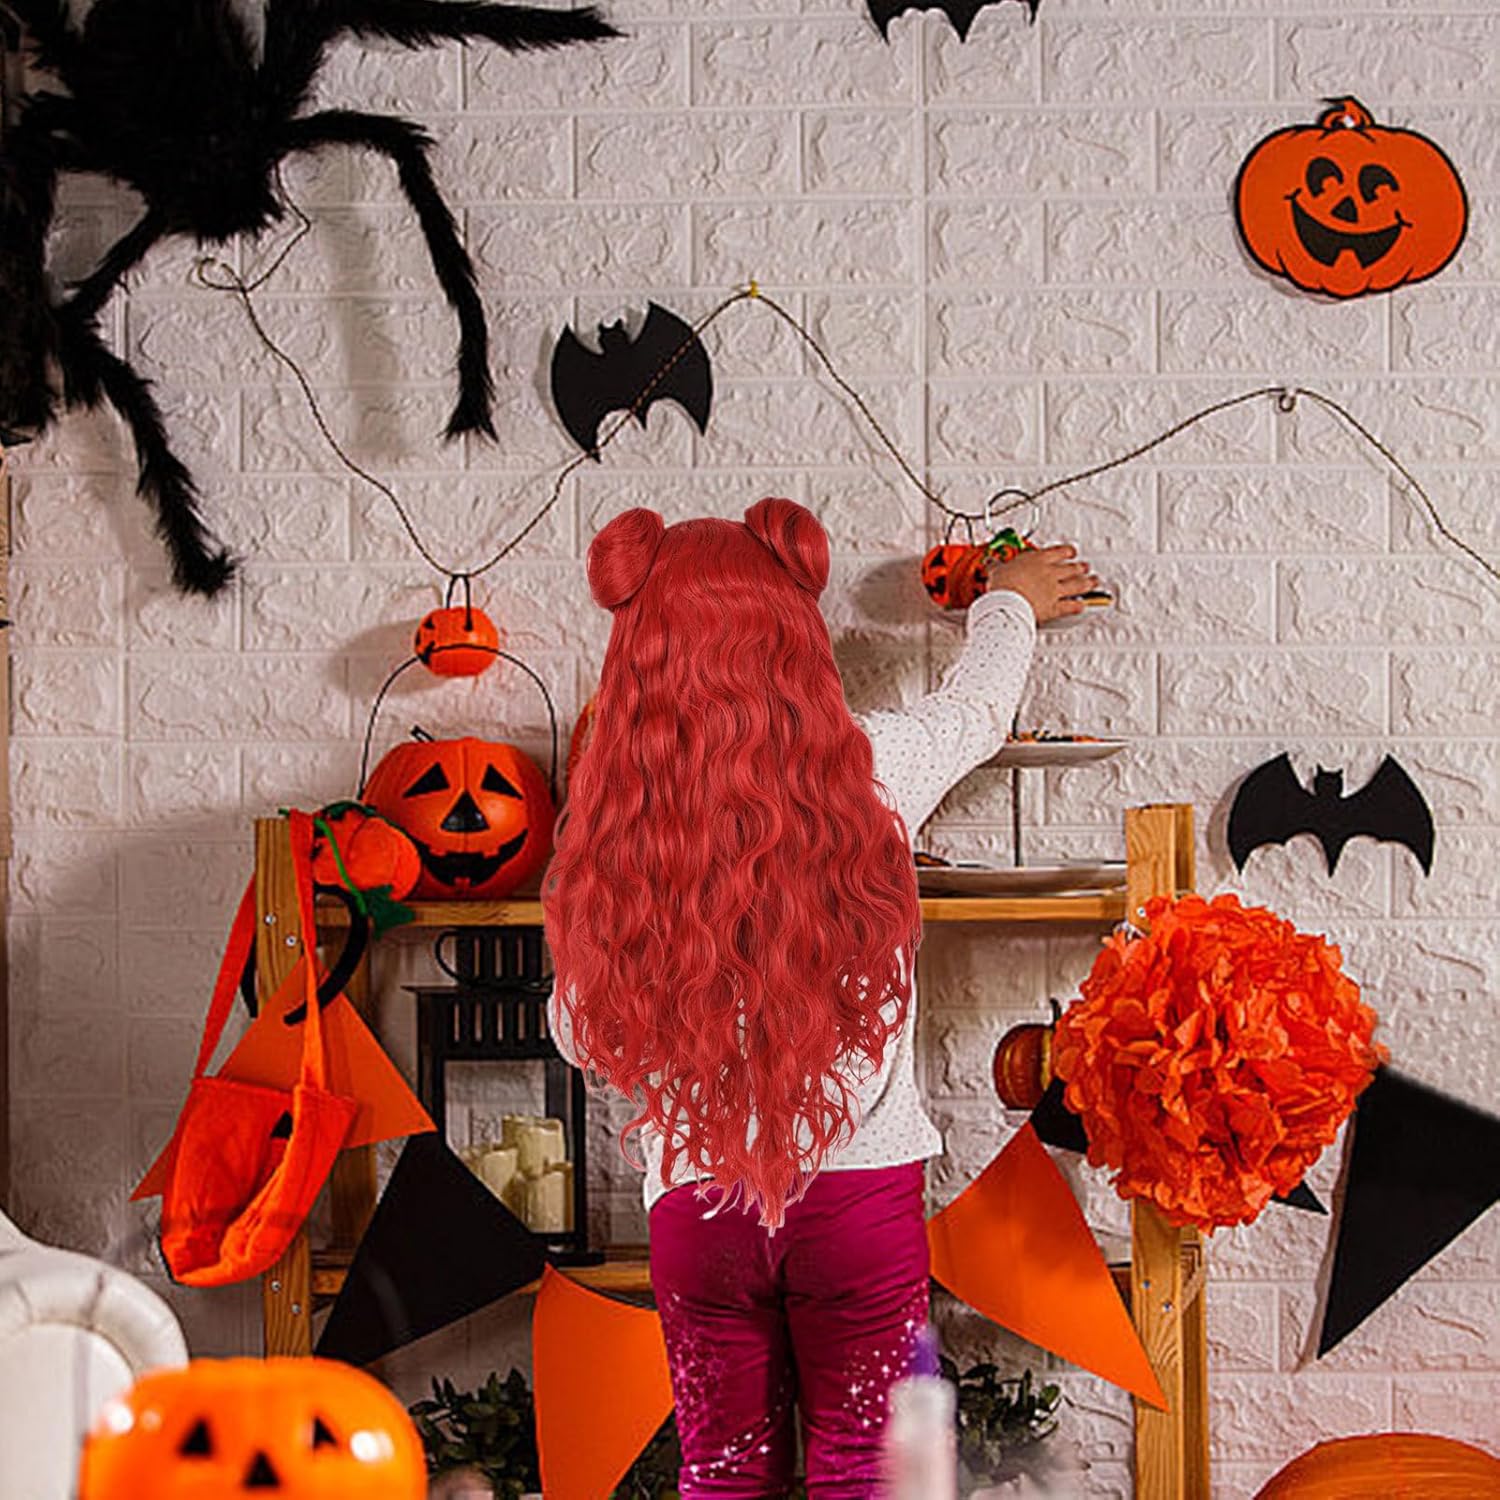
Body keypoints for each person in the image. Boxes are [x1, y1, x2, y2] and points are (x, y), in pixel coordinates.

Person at [541, 498, 1097, 1498]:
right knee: (871, 1469)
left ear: (637, 654)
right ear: (796, 632)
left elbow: (579, 1037)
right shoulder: (872, 769)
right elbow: (975, 712)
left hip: (698, 1212)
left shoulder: (618, 816)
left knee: (723, 1469)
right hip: (859, 1204)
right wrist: (1006, 601)